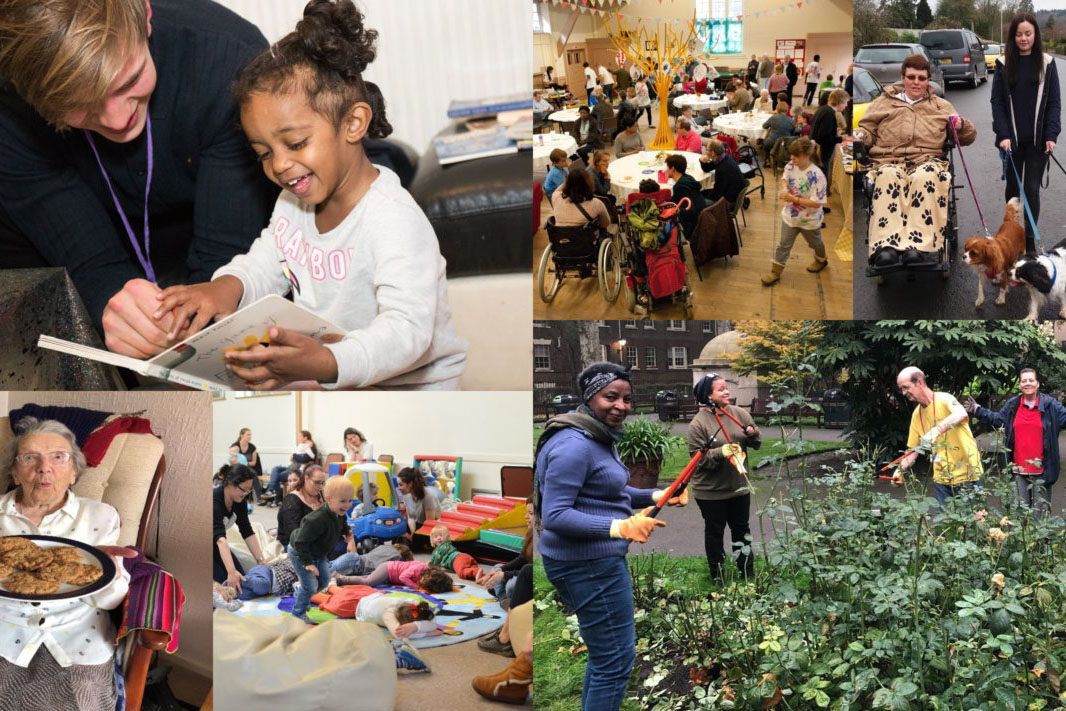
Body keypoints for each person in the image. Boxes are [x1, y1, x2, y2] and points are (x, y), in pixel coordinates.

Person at [152, 0, 467, 391]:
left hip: (410, 387)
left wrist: (326, 361)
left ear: (353, 123)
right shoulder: (293, 202)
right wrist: (225, 287)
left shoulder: (393, 219)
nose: (279, 165)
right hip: (332, 373)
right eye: (264, 153)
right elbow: (267, 261)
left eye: (296, 143)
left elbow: (407, 333)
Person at [0, 0, 276, 354]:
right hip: (84, 227)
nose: (116, 120)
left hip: (208, 230)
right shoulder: (11, 103)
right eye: (80, 104)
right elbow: (92, 263)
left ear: (145, 15)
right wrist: (108, 301)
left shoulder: (228, 60)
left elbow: (222, 264)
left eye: (128, 81)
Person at [537, 362, 682, 711]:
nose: (621, 406)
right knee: (615, 661)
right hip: (585, 565)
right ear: (590, 397)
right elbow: (555, 516)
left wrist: (653, 496)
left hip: (591, 561)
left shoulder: (595, 434)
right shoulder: (574, 445)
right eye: (611, 397)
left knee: (605, 659)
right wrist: (619, 527)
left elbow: (605, 490)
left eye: (627, 399)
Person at [0, 417, 137, 710]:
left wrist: (106, 569)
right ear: (14, 471)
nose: (44, 467)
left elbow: (112, 602)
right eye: (29, 457)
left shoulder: (101, 516)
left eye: (58, 457)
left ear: (74, 472)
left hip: (77, 636)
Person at [856, 54, 977, 267]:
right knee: (887, 177)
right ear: (903, 78)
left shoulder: (941, 106)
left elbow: (967, 137)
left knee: (926, 177)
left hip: (928, 159)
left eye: (922, 78)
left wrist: (962, 126)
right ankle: (887, 246)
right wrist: (860, 136)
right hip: (888, 160)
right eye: (911, 77)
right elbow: (867, 131)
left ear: (928, 80)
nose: (916, 82)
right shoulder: (882, 103)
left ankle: (918, 246)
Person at [992, 12, 1061, 252]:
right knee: (1013, 190)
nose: (1023, 38)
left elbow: (1054, 103)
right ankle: (1012, 237)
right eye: (1019, 34)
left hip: (1038, 142)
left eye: (1028, 33)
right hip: (1011, 142)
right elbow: (997, 103)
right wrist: (1003, 135)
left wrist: (1051, 135)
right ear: (1013, 37)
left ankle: (1029, 243)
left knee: (1031, 189)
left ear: (1035, 35)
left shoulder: (1047, 64)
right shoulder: (1002, 64)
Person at [687, 374, 761, 582]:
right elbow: (698, 461)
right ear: (708, 395)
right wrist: (721, 452)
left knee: (741, 530)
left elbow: (756, 442)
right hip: (711, 492)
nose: (726, 391)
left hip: (739, 487)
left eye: (726, 388)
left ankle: (747, 573)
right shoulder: (698, 424)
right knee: (715, 533)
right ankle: (718, 575)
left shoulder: (739, 413)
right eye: (720, 389)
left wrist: (753, 434)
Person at [966, 368, 1066, 520]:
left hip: (1043, 473)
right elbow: (998, 419)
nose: (1027, 383)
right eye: (1024, 381)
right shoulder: (1013, 405)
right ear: (1019, 385)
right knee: (1018, 517)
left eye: (1031, 380)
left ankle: (1039, 544)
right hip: (1018, 471)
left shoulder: (1050, 405)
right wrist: (977, 410)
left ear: (1037, 384)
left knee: (1040, 519)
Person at [892, 367, 983, 508]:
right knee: (945, 525)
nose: (903, 393)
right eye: (901, 389)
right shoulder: (917, 415)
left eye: (906, 387)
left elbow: (961, 414)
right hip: (941, 478)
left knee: (972, 525)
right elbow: (913, 450)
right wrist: (899, 470)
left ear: (920, 382)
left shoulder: (945, 399)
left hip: (968, 474)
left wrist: (936, 430)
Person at [287, 476, 354, 624]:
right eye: (343, 501)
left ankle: (300, 594)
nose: (347, 505)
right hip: (300, 552)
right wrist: (308, 563)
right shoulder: (315, 519)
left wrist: (347, 532)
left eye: (350, 500)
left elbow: (342, 525)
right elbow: (300, 542)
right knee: (310, 586)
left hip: (319, 553)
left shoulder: (339, 513)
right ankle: (298, 614)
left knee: (324, 582)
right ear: (328, 498)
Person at [761, 137, 829, 285]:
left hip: (810, 220)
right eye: (791, 155)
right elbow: (785, 177)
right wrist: (784, 188)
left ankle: (821, 259)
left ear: (806, 155)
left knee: (815, 244)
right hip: (790, 217)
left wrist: (794, 200)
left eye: (796, 155)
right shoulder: (792, 165)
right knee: (783, 244)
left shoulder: (817, 176)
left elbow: (817, 203)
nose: (792, 158)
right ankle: (775, 271)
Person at [213, 463, 265, 590]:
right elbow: (220, 540)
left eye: (249, 490)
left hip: (217, 544)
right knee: (226, 586)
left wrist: (261, 560)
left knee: (241, 580)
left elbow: (247, 531)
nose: (246, 494)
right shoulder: (214, 502)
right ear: (230, 484)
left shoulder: (239, 501)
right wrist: (231, 572)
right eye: (243, 489)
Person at [810, 89, 849, 195]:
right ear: (840, 102)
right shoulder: (829, 114)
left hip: (817, 148)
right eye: (845, 103)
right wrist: (841, 139)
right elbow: (823, 137)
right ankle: (819, 204)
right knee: (822, 175)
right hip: (822, 151)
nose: (846, 106)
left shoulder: (823, 109)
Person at [276, 465, 326, 547]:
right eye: (317, 482)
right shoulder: (292, 500)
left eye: (322, 483)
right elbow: (293, 535)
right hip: (295, 545)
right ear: (306, 479)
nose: (320, 487)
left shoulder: (321, 496)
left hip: (316, 540)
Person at [334, 559, 454, 592]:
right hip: (388, 569)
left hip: (390, 575)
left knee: (367, 578)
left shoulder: (425, 573)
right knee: (369, 582)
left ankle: (340, 576)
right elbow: (403, 577)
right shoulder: (419, 568)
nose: (421, 582)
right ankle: (342, 579)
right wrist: (414, 586)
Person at [552, 168, 612, 234]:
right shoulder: (596, 203)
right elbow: (605, 224)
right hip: (583, 240)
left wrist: (572, 180)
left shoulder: (556, 196)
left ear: (567, 182)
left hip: (561, 239)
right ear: (589, 184)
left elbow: (561, 188)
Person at [265, 430, 317, 503]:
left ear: (305, 438)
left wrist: (295, 456)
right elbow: (291, 458)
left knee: (277, 476)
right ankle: (272, 491)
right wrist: (296, 456)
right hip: (291, 466)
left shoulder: (311, 447)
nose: (298, 438)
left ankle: (274, 495)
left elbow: (304, 459)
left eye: (299, 436)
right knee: (275, 469)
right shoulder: (300, 446)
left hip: (297, 470)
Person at [396, 467, 447, 537]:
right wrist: (413, 534)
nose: (399, 488)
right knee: (398, 534)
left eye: (401, 485)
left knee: (416, 541)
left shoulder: (428, 496)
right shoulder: (406, 495)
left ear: (410, 484)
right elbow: (410, 518)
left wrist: (413, 538)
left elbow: (430, 524)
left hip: (433, 527)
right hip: (417, 523)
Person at [666, 154, 706, 239]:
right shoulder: (688, 178)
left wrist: (673, 211)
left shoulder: (680, 187)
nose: (666, 170)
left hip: (693, 225)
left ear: (673, 169)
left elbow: (689, 210)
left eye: (667, 168)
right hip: (702, 217)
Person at [699, 139, 745, 206]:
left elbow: (716, 195)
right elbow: (707, 169)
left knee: (696, 203)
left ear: (713, 153)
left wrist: (700, 198)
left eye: (707, 149)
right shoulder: (723, 157)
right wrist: (702, 161)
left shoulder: (723, 168)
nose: (705, 150)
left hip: (728, 201)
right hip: (730, 192)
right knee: (700, 193)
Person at [232, 427, 263, 502]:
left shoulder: (253, 447)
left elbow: (253, 462)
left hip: (251, 468)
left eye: (250, 435)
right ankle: (235, 496)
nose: (250, 437)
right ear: (242, 435)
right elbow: (232, 460)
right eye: (248, 435)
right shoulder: (235, 446)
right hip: (239, 468)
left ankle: (260, 498)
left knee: (252, 473)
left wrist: (244, 462)